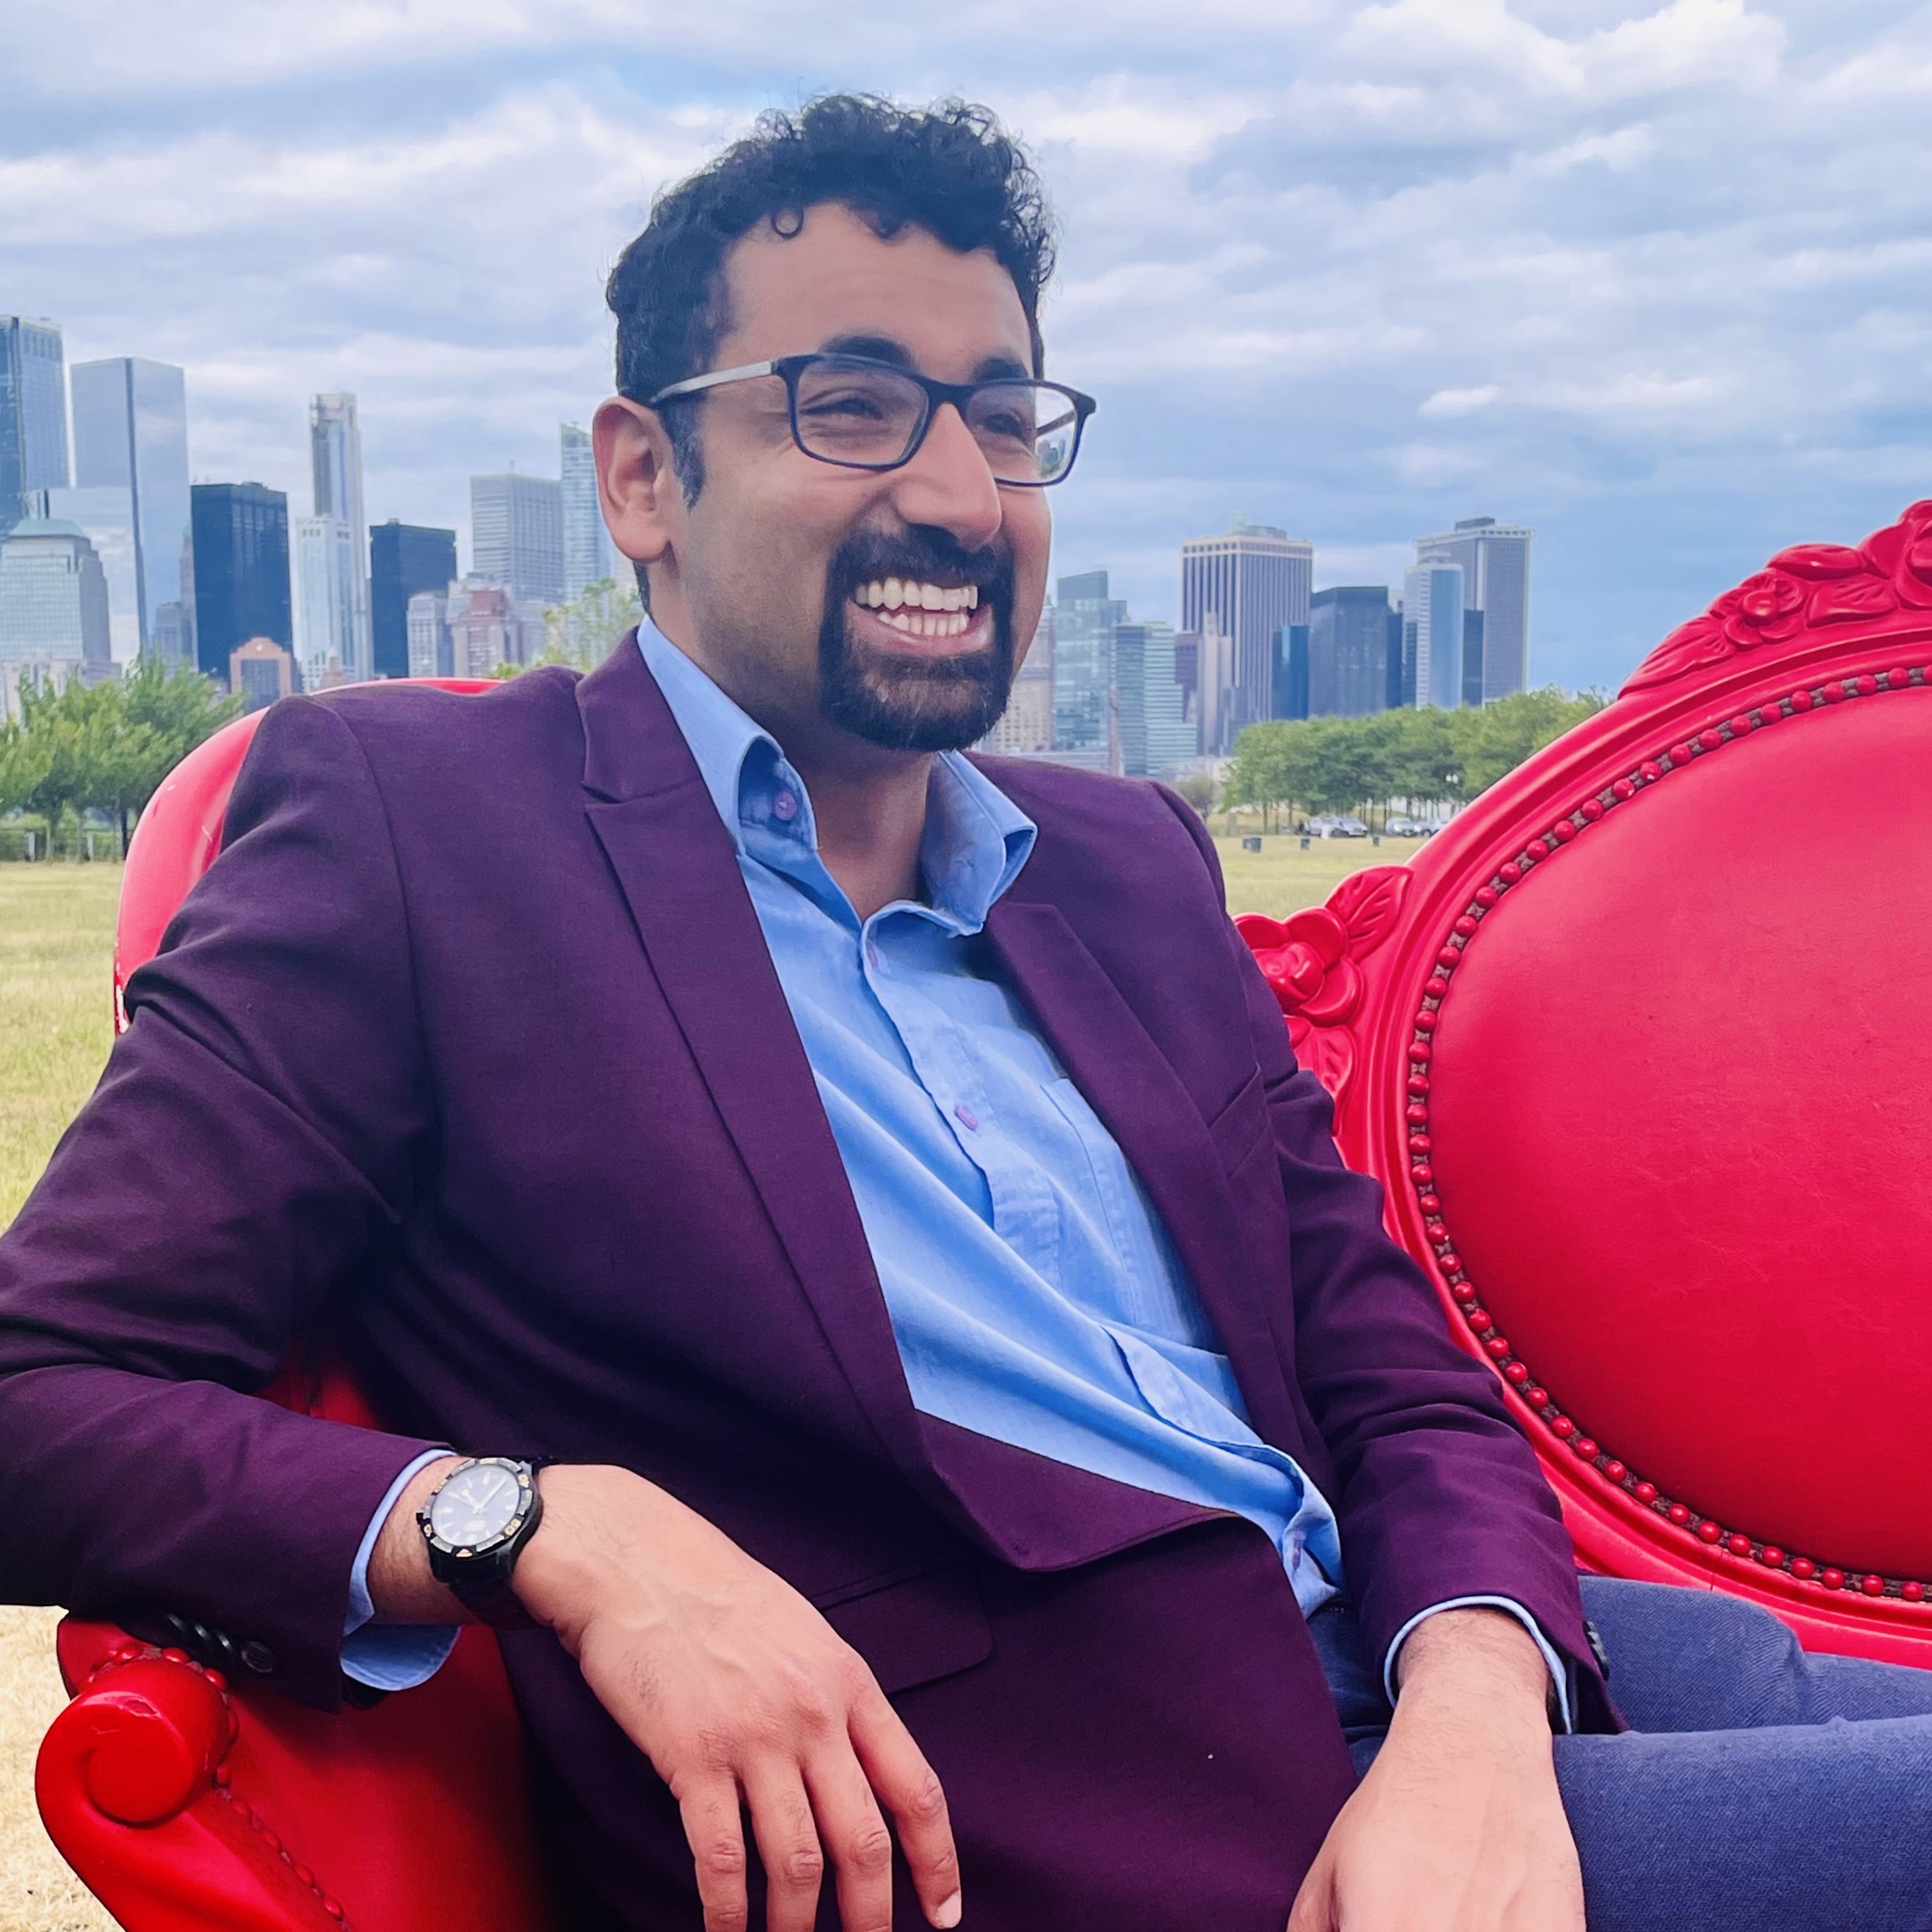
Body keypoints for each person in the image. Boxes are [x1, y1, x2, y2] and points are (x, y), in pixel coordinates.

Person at [7, 93, 1932, 1932]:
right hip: (1103, 1824)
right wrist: (557, 1532)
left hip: (1464, 1688)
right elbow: (37, 1402)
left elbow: (1387, 1364)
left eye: (1005, 423)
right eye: (851, 409)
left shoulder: (1122, 862)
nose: (955, 493)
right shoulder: (418, 835)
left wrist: (1480, 1700)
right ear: (642, 477)